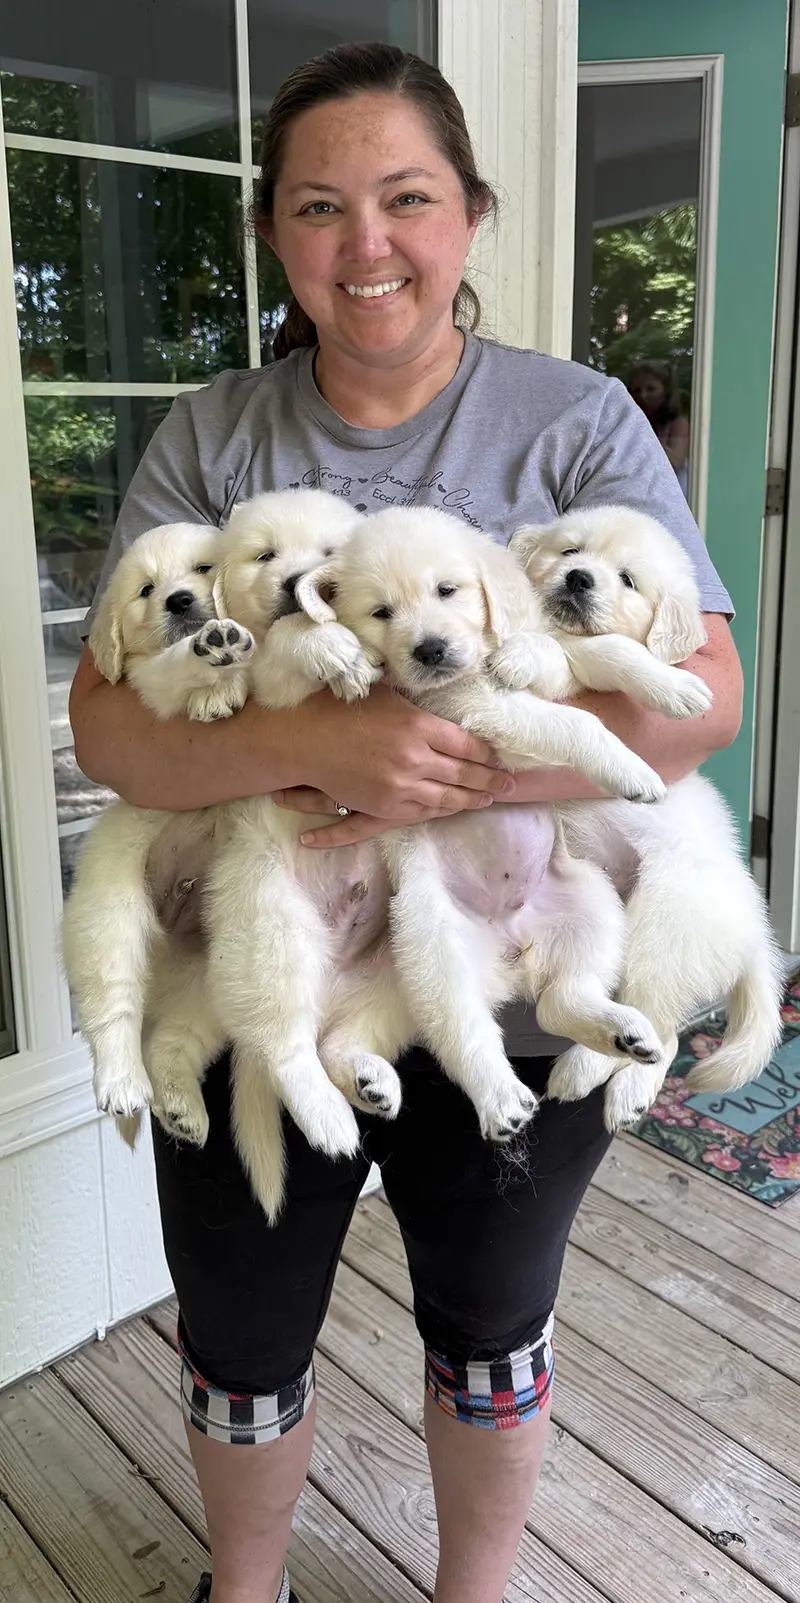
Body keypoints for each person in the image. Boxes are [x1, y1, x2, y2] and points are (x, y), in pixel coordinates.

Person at [69, 42, 742, 1603]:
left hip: (506, 958)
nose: (365, 242)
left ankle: (477, 1586)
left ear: (470, 216)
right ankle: (247, 1585)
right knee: (239, 1314)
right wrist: (326, 743)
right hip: (258, 953)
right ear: (276, 237)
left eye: (406, 197)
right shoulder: (214, 436)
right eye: (319, 205)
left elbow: (701, 694)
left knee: (494, 1308)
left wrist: (451, 768)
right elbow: (113, 730)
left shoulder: (574, 422)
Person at [626, 359, 691, 498]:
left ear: (666, 392)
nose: (642, 395)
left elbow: (674, 464)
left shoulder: (678, 424)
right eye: (636, 390)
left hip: (672, 497)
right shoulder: (630, 424)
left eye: (650, 389)